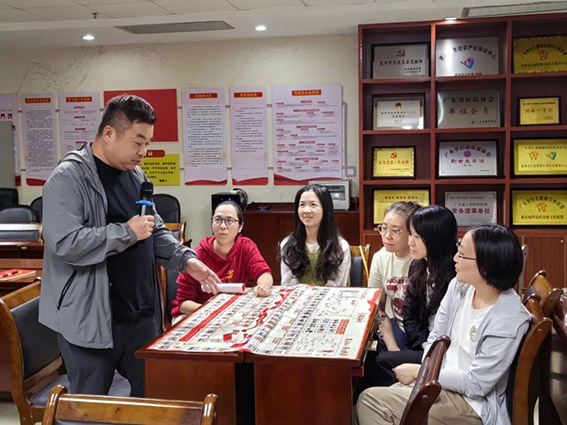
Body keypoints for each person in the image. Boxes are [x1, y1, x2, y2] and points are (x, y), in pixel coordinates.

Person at [39, 95, 221, 397]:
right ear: (109, 133)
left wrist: (185, 260)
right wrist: (126, 232)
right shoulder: (68, 179)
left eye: (147, 143)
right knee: (91, 408)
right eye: (138, 142)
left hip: (141, 315)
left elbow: (153, 227)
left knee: (151, 400)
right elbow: (66, 243)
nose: (144, 152)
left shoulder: (135, 175)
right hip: (90, 321)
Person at [356, 224, 531, 425]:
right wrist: (426, 373)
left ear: (487, 265)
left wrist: (419, 372)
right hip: (440, 383)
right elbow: (436, 336)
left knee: (370, 402)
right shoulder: (460, 286)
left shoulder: (508, 318)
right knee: (364, 401)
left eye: (462, 255)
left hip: (472, 405)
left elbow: (476, 384)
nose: (455, 258)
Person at [373, 205, 457, 386]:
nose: (410, 242)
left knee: (381, 362)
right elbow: (409, 315)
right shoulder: (418, 266)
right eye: (411, 234)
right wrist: (423, 344)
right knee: (378, 354)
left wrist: (432, 349)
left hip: (446, 350)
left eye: (417, 236)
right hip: (425, 343)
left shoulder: (455, 273)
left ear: (435, 238)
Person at [172, 201, 273, 319]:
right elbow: (183, 303)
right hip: (200, 312)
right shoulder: (197, 255)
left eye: (229, 221)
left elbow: (263, 273)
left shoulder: (245, 246)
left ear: (240, 227)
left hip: (233, 311)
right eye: (217, 220)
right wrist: (213, 310)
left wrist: (263, 286)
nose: (223, 226)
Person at [368, 201, 421, 351]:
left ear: (412, 232)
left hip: (423, 330)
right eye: (384, 228)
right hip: (397, 328)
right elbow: (376, 307)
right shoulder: (380, 258)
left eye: (396, 231)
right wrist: (393, 348)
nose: (387, 236)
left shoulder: (421, 257)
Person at [280, 184, 351, 286]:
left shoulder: (341, 247)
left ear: (325, 209)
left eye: (313, 205)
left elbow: (337, 287)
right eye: (302, 205)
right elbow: (287, 286)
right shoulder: (287, 245)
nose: (306, 210)